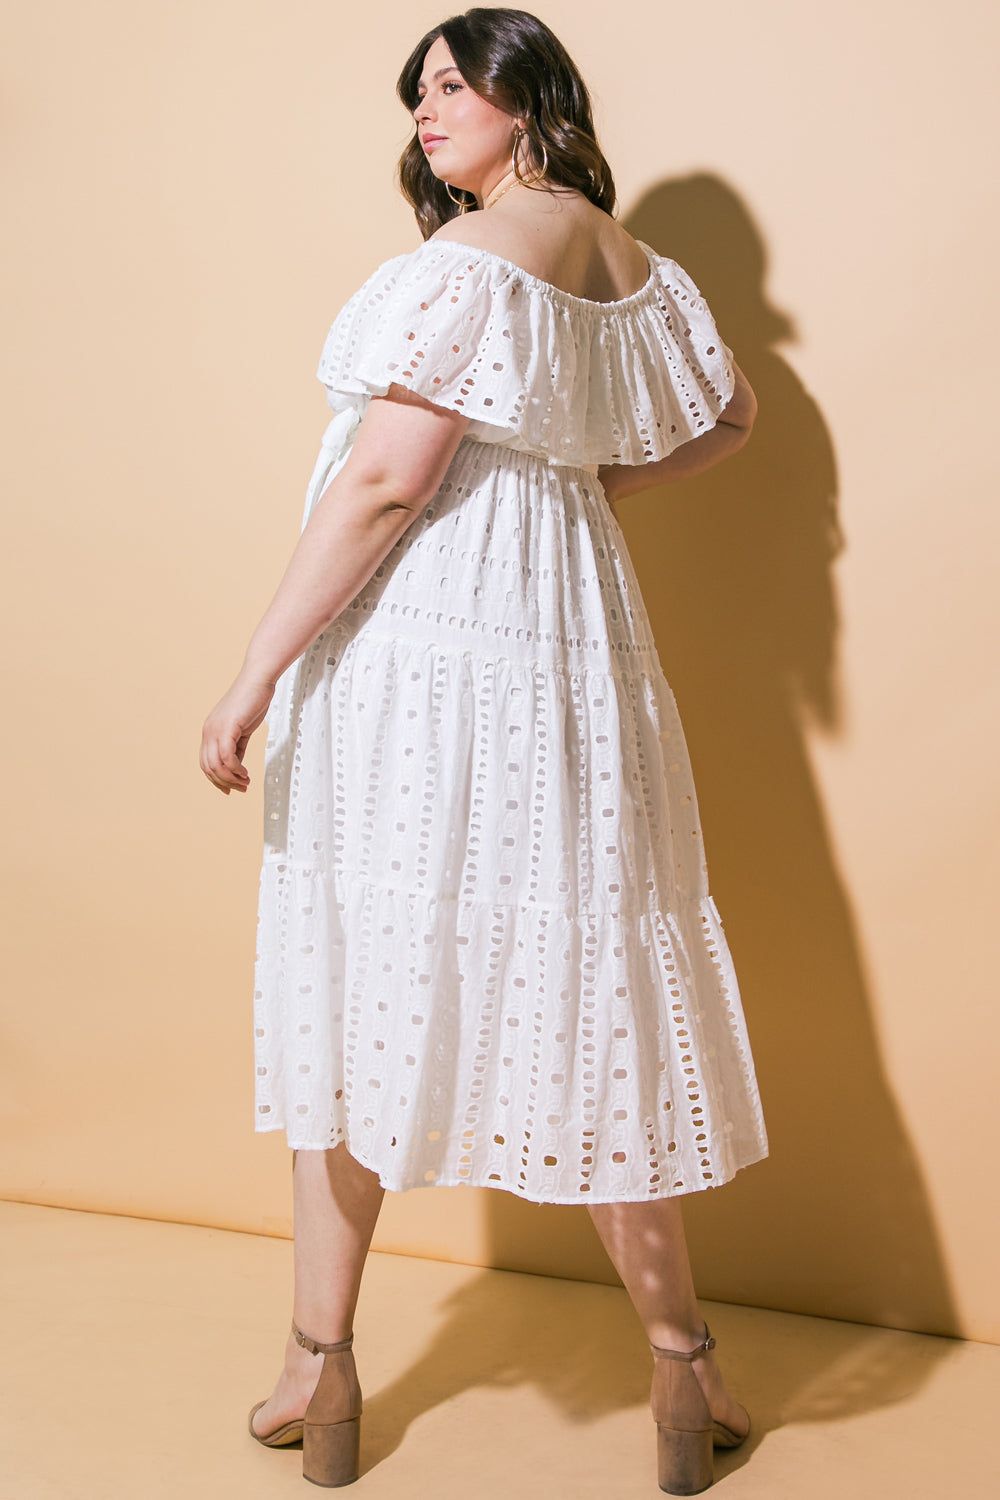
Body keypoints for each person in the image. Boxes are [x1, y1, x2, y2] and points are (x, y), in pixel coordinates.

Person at [200, 8, 767, 1492]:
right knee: (594, 984)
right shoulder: (637, 269)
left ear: (530, 100)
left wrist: (253, 672)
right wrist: (562, 499)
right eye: (419, 92)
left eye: (457, 85)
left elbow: (386, 481)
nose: (429, 110)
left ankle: (319, 1375)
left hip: (429, 653)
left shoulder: (464, 264)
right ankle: (683, 1372)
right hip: (576, 650)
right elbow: (730, 417)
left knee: (359, 974)